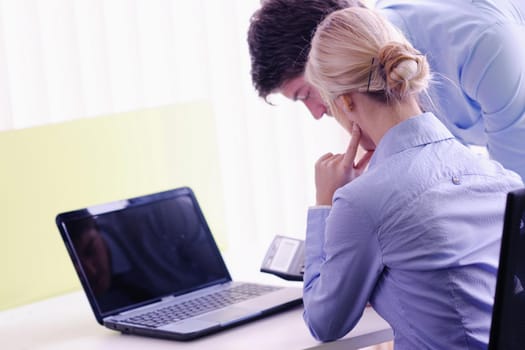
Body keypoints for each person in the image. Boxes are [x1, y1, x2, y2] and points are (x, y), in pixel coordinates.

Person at [304, 7, 522, 349]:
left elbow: (324, 322)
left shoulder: (362, 202)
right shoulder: (501, 179)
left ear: (345, 102)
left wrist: (324, 205)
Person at [247, 0, 525, 180]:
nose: (317, 113)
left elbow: (516, 201)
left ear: (329, 52)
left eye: (306, 94)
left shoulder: (485, 45)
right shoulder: (386, 95)